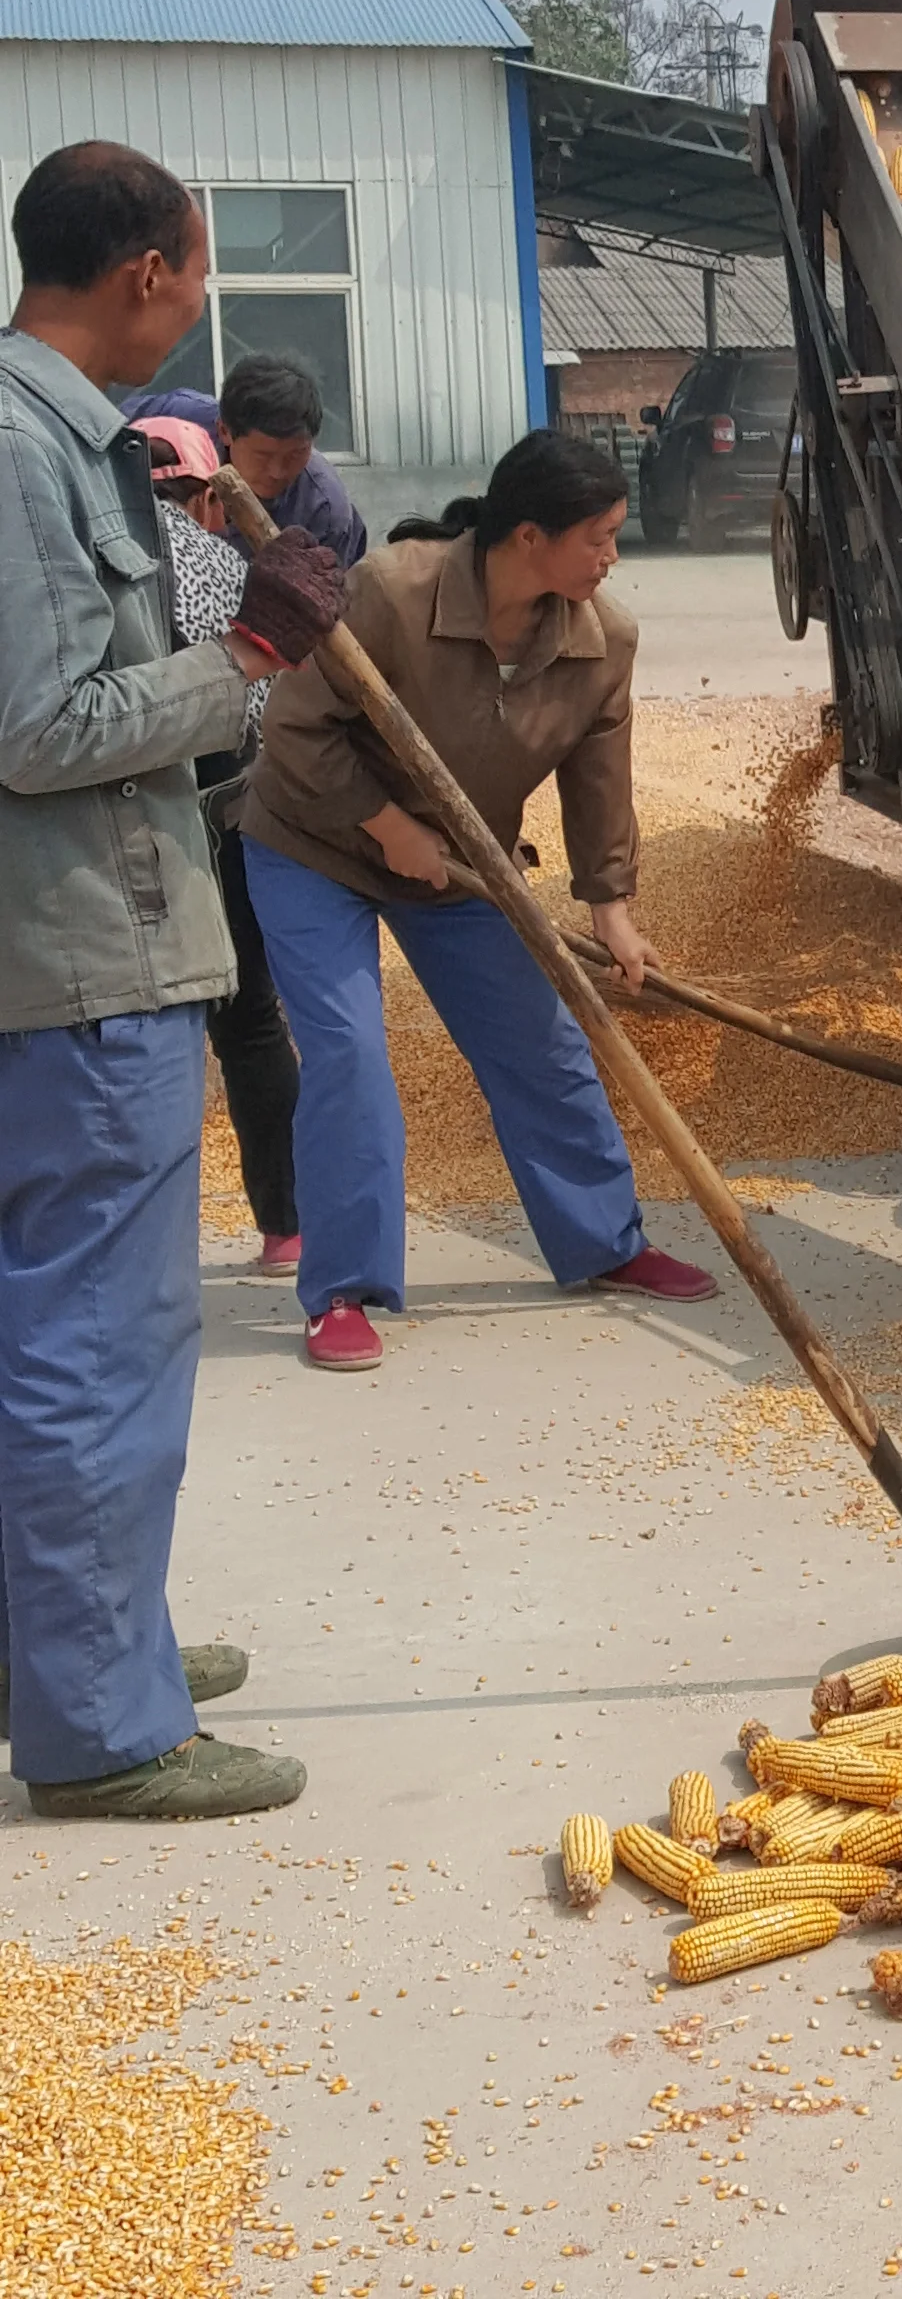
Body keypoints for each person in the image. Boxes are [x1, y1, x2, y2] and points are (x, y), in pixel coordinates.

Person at [0, 138, 346, 1819]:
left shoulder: (78, 446)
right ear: (146, 272)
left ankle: (76, 1641)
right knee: (94, 1344)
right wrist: (251, 659)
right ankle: (106, 1725)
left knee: (48, 1333)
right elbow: (37, 726)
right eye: (198, 274)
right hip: (82, 968)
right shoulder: (19, 447)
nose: (196, 307)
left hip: (74, 957)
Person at [241, 428, 720, 1371]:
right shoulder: (390, 590)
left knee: (542, 1045)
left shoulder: (601, 640)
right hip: (315, 846)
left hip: (462, 865)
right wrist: (388, 827)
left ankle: (605, 1245)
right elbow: (296, 735)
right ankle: (342, 1288)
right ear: (529, 537)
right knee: (349, 1054)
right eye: (599, 537)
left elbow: (598, 772)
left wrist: (610, 906)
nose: (612, 558)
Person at [133, 415, 304, 1277]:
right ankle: (285, 1226)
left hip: (105, 831)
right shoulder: (218, 561)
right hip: (223, 819)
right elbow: (263, 710)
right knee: (247, 1021)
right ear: (207, 497)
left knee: (136, 1035)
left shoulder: (81, 560)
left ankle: (146, 1245)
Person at [130, 348, 368, 567]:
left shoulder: (325, 511)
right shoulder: (180, 419)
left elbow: (325, 605)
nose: (277, 471)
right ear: (224, 431)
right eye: (262, 455)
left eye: (296, 454)